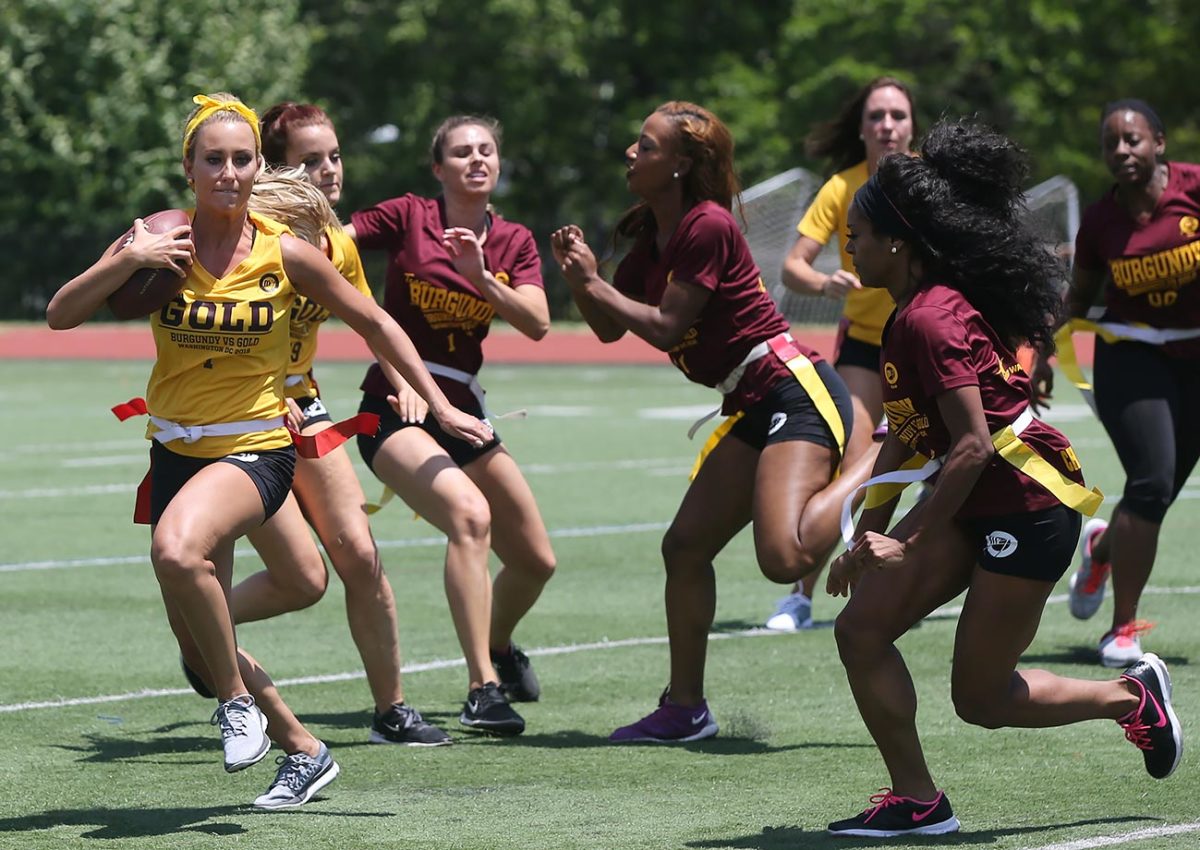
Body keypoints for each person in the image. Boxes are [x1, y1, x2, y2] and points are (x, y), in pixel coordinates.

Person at [45, 93, 493, 808]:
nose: (227, 173)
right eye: (213, 160)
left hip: (256, 444)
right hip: (174, 449)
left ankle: (237, 704)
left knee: (176, 550)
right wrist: (128, 258)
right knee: (197, 633)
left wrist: (437, 404)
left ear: (259, 168)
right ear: (188, 168)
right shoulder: (161, 238)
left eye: (241, 160)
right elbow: (60, 315)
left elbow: (376, 324)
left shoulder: (285, 252)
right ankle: (305, 750)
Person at [825, 118, 1182, 838]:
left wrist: (907, 535)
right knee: (861, 629)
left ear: (896, 242)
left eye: (857, 234)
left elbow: (972, 448)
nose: (849, 246)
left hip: (1028, 504)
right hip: (974, 501)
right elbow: (904, 439)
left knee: (982, 700)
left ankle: (1130, 698)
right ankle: (919, 801)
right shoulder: (906, 316)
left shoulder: (928, 320)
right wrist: (864, 539)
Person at [552, 100, 863, 743]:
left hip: (790, 389)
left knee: (784, 559)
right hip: (750, 399)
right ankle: (686, 709)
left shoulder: (708, 225)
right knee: (685, 547)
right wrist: (585, 282)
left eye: (646, 146)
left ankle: (881, 458)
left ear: (682, 165)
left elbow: (668, 326)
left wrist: (594, 281)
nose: (631, 155)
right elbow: (611, 328)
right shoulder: (654, 232)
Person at [214, 102, 449, 746]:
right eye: (310, 160)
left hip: (306, 410)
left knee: (362, 558)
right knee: (301, 581)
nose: (329, 171)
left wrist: (406, 385)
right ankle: (205, 632)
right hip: (238, 420)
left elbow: (373, 323)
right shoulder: (240, 234)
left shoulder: (335, 241)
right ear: (272, 169)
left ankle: (391, 710)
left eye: (335, 156)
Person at [345, 115, 556, 736]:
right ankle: (481, 690)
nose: (476, 160)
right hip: (396, 402)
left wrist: (479, 276)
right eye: (461, 152)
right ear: (439, 169)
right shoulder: (409, 215)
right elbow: (333, 243)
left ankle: (498, 647)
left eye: (486, 150)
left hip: (461, 410)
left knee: (535, 560)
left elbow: (539, 322)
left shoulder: (512, 240)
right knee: (470, 518)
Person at [1042, 100, 1200, 667]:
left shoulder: (1195, 189)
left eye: (1132, 140)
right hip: (1129, 355)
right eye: (1111, 143)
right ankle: (1123, 630)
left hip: (1194, 356)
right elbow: (1079, 298)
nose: (1121, 151)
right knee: (1152, 481)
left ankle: (1102, 547)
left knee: (1154, 497)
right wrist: (1043, 357)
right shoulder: (1102, 222)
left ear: (1159, 141)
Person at [765, 76, 916, 631]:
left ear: (911, 125)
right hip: (864, 345)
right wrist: (822, 283)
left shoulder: (929, 183)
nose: (887, 126)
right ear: (862, 128)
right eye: (876, 116)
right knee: (853, 461)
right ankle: (802, 595)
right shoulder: (842, 186)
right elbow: (791, 268)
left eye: (898, 116)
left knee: (965, 455)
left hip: (925, 340)